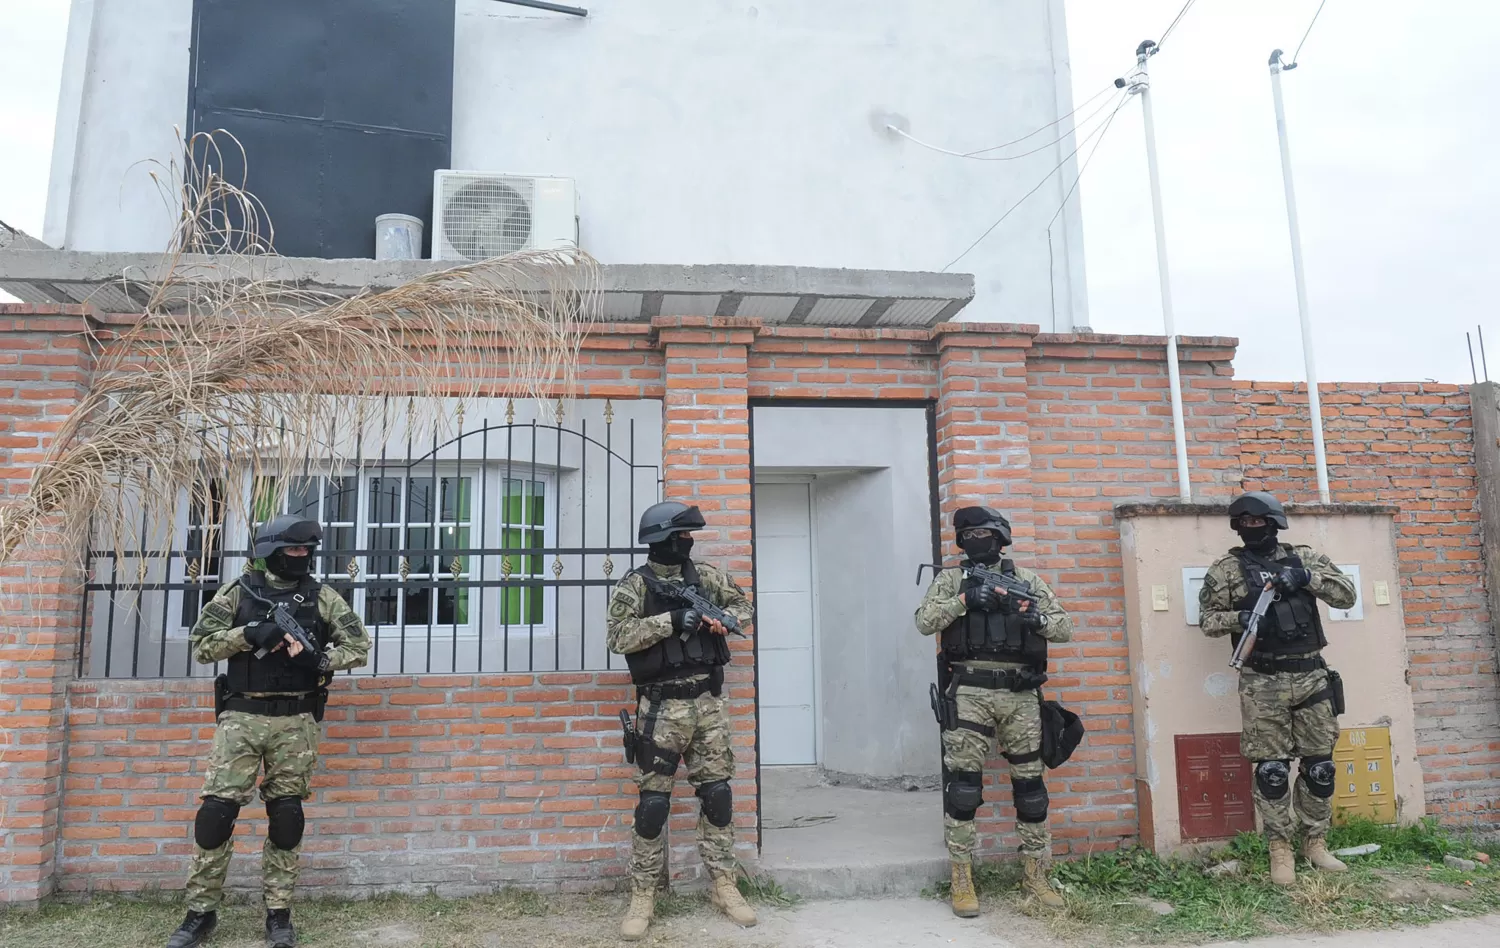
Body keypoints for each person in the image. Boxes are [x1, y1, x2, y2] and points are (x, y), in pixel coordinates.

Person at [166, 515, 371, 948]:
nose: (302, 557)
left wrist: (318, 662)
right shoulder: (238, 593)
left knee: (286, 817)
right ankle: (199, 914)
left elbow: (359, 647)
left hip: (296, 722)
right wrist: (248, 633)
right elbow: (202, 645)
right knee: (216, 815)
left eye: (306, 551)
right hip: (240, 718)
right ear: (269, 551)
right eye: (293, 550)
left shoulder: (322, 596)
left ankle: (279, 915)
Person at [607, 501, 757, 941]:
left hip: (708, 705)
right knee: (653, 805)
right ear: (663, 539)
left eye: (689, 537)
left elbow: (743, 609)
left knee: (718, 795)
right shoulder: (635, 585)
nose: (688, 542)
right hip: (660, 708)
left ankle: (723, 884)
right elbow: (617, 636)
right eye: (682, 536)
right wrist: (671, 621)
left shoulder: (705, 577)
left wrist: (720, 622)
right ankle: (644, 893)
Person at [915, 506, 1074, 917]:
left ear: (1000, 537)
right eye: (968, 534)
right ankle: (962, 875)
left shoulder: (1026, 581)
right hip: (968, 691)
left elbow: (1063, 627)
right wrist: (964, 600)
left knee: (1031, 788)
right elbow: (924, 621)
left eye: (984, 532)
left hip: (1020, 694)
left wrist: (1032, 615)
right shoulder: (949, 579)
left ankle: (1036, 873)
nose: (976, 539)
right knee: (964, 786)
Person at [1197, 491, 1357, 887]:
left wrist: (1306, 578)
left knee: (1320, 767)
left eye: (1259, 523)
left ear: (1275, 523)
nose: (1253, 529)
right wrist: (1243, 615)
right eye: (1245, 524)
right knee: (1271, 771)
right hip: (1262, 682)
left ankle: (1315, 841)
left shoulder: (1305, 557)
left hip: (1311, 676)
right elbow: (1208, 621)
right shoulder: (1226, 570)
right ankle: (1279, 848)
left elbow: (1347, 594)